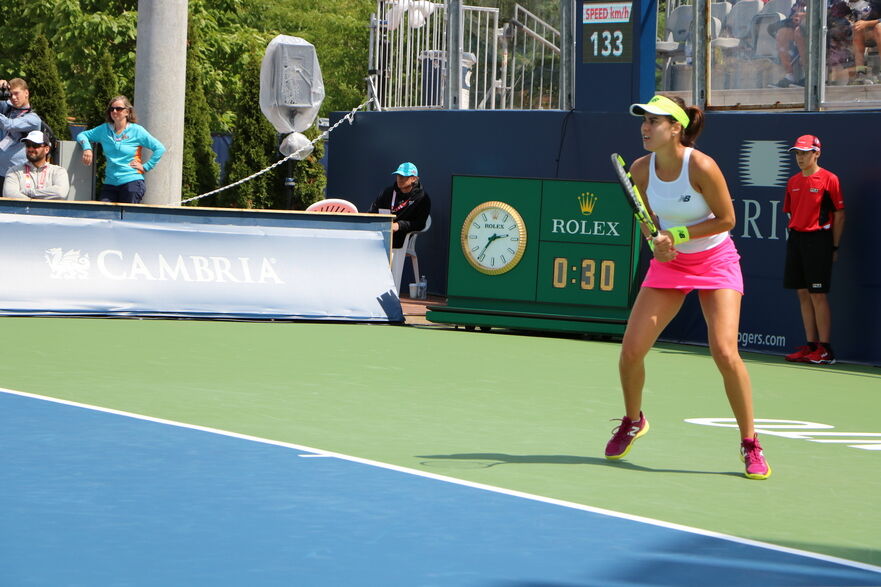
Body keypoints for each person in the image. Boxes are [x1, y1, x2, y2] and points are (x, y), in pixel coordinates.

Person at [603, 94, 772, 481]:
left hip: (715, 262)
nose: (645, 129)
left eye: (654, 122)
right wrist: (655, 242)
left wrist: (675, 233)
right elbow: (645, 218)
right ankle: (633, 420)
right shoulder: (642, 169)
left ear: (676, 128)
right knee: (631, 351)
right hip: (671, 264)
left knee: (725, 352)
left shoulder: (702, 166)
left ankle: (750, 443)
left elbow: (727, 219)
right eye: (643, 122)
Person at [781, 135, 845, 365]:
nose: (800, 157)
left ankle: (826, 350)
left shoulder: (830, 179)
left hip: (819, 240)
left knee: (818, 294)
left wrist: (834, 246)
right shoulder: (792, 182)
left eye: (805, 153)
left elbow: (839, 215)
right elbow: (791, 212)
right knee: (802, 293)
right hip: (797, 240)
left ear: (817, 153)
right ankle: (811, 346)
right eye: (797, 153)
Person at [76, 95, 165, 203]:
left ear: (127, 112)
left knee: (127, 218)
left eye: (118, 109)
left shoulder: (137, 130)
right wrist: (87, 148)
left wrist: (146, 167)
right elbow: (82, 135)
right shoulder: (104, 129)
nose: (114, 111)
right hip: (110, 183)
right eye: (111, 109)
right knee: (103, 215)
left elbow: (160, 148)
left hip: (132, 182)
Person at [369, 161, 431, 249]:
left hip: (401, 237)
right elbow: (372, 212)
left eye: (404, 176)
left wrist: (399, 225)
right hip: (380, 233)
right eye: (398, 175)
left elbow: (420, 224)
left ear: (414, 179)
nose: (399, 178)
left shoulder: (422, 198)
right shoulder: (387, 193)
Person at [0, 78, 42, 196]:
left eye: (16, 93)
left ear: (26, 93)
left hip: (18, 174)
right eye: (10, 94)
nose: (13, 98)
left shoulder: (33, 119)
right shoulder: (6, 109)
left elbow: (9, 125)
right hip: (1, 172)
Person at [2, 130, 69, 200]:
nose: (30, 149)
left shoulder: (58, 171)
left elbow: (60, 193)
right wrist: (34, 203)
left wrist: (29, 193)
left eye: (35, 145)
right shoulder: (14, 171)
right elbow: (9, 194)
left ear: (46, 149)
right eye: (28, 145)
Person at [768, 0, 807, 88]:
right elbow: (794, 15)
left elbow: (829, 13)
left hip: (824, 27)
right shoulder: (800, 2)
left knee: (799, 33)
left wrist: (806, 16)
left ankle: (808, 76)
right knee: (782, 33)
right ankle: (790, 76)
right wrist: (795, 17)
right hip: (801, 26)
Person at [847, 0, 881, 84]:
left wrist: (867, 23)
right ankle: (860, 72)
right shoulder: (846, 4)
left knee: (878, 28)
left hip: (878, 30)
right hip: (867, 33)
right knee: (858, 30)